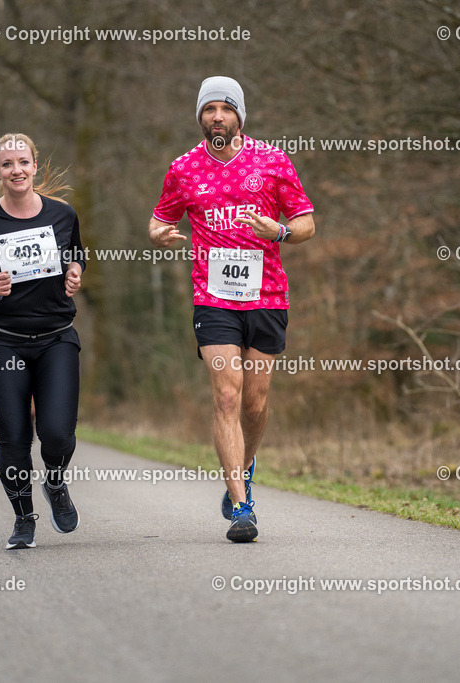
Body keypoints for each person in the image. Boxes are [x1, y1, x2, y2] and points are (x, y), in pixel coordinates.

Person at [148, 76, 315, 542]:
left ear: (240, 115)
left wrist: (277, 231)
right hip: (213, 298)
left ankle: (246, 464)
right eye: (208, 109)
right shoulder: (182, 168)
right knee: (226, 396)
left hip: (267, 296)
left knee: (256, 402)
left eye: (225, 108)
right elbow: (158, 220)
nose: (216, 116)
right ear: (200, 117)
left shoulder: (273, 161)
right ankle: (241, 504)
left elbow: (306, 225)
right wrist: (159, 234)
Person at [0, 133, 86, 550]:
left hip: (55, 338)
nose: (17, 170)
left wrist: (75, 274)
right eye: (7, 164)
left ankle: (56, 482)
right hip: (1, 341)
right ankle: (23, 518)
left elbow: (76, 255)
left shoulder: (63, 215)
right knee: (13, 437)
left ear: (34, 164)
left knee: (58, 434)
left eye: (23, 162)